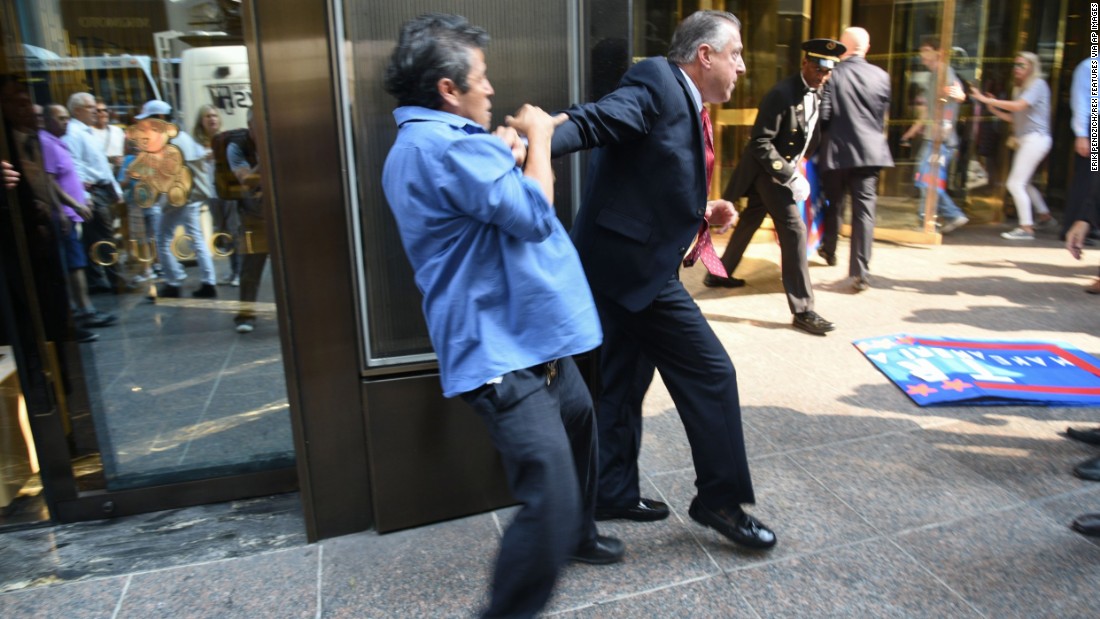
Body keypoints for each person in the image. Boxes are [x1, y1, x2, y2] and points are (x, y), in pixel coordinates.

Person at [381, 14, 623, 617]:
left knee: (580, 418)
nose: (491, 90)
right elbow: (536, 213)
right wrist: (538, 140)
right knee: (550, 495)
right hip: (501, 353)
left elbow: (481, 202)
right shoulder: (448, 148)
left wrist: (505, 155)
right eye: (481, 80)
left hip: (528, 340)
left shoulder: (424, 143)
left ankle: (579, 535)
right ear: (447, 88)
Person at [551, 10, 777, 550]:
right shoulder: (655, 82)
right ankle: (719, 501)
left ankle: (612, 490)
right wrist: (535, 138)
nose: (742, 66)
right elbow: (596, 121)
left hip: (616, 266)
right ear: (705, 56)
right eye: (736, 54)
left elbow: (651, 180)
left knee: (624, 382)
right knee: (712, 372)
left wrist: (703, 211)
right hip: (632, 271)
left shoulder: (684, 98)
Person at [706, 38, 844, 336]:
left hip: (779, 170)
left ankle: (718, 274)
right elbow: (760, 142)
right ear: (805, 63)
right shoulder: (781, 93)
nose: (822, 76)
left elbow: (809, 133)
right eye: (818, 69)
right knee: (795, 231)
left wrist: (801, 164)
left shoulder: (819, 92)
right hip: (769, 172)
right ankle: (803, 309)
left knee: (750, 220)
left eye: (828, 72)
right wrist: (789, 175)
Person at [817, 27, 893, 292]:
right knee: (864, 213)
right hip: (870, 152)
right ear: (867, 47)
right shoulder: (882, 76)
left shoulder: (832, 75)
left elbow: (824, 116)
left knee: (834, 203)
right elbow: (881, 114)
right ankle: (860, 271)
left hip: (837, 151)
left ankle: (829, 249)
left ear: (841, 46)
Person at [129, 99, 218, 299]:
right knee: (196, 239)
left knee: (161, 239)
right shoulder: (184, 136)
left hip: (177, 197)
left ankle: (174, 281)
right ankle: (208, 282)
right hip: (191, 196)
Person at [40, 104, 117, 332]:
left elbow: (70, 173)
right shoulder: (46, 143)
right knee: (71, 265)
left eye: (66, 118)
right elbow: (49, 181)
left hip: (72, 213)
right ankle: (79, 312)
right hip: (63, 214)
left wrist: (81, 199)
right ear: (49, 121)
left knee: (76, 263)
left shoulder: (59, 141)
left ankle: (85, 310)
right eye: (61, 118)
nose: (66, 122)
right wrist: (69, 206)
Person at [970, 52, 1055, 240]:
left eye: (1021, 65)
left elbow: (1018, 107)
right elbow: (1014, 118)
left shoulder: (1037, 85)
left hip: (1036, 139)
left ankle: (1026, 228)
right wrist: (993, 109)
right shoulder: (1021, 89)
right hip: (1028, 139)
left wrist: (988, 101)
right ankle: (1044, 215)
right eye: (1015, 65)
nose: (1016, 69)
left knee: (1015, 183)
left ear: (1032, 67)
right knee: (1025, 183)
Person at [900, 37, 969, 233]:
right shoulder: (934, 75)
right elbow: (929, 111)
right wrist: (911, 132)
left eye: (926, 50)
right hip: (935, 138)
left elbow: (955, 97)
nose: (922, 55)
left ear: (938, 52)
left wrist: (959, 98)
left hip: (941, 140)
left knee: (926, 180)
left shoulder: (944, 73)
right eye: (922, 50)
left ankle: (948, 215)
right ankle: (931, 219)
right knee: (925, 179)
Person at [64, 91, 123, 293]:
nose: (95, 112)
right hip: (93, 193)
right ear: (78, 110)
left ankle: (99, 280)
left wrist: (114, 188)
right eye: (90, 108)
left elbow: (101, 165)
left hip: (101, 190)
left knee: (97, 237)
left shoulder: (86, 132)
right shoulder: (74, 133)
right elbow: (76, 165)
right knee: (105, 237)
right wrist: (85, 196)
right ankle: (115, 280)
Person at [227, 109, 267, 333]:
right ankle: (245, 315)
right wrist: (266, 156)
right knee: (250, 268)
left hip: (278, 212)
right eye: (257, 126)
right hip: (252, 215)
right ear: (249, 126)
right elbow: (247, 181)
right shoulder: (236, 146)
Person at [192, 104, 240, 287]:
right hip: (212, 194)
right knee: (222, 232)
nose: (212, 119)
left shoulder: (226, 139)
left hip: (228, 192)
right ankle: (232, 270)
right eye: (207, 116)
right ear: (201, 121)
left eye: (214, 116)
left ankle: (239, 272)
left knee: (235, 231)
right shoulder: (195, 144)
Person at [90, 97, 125, 171]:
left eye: (105, 110)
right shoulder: (88, 133)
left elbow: (124, 151)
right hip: (100, 176)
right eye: (98, 111)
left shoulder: (117, 130)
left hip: (119, 176)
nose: (103, 113)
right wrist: (109, 159)